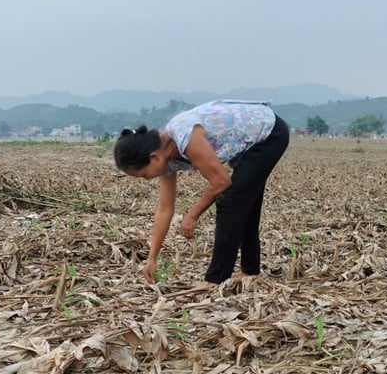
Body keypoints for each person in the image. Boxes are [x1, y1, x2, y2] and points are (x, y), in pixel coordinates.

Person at [113, 100, 289, 285]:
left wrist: (192, 214)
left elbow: (221, 181)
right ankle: (250, 271)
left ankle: (215, 280)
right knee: (244, 202)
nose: (147, 179)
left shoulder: (185, 137)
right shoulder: (164, 156)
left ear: (153, 158)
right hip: (253, 140)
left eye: (144, 175)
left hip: (269, 133)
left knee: (230, 201)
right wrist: (152, 258)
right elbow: (165, 209)